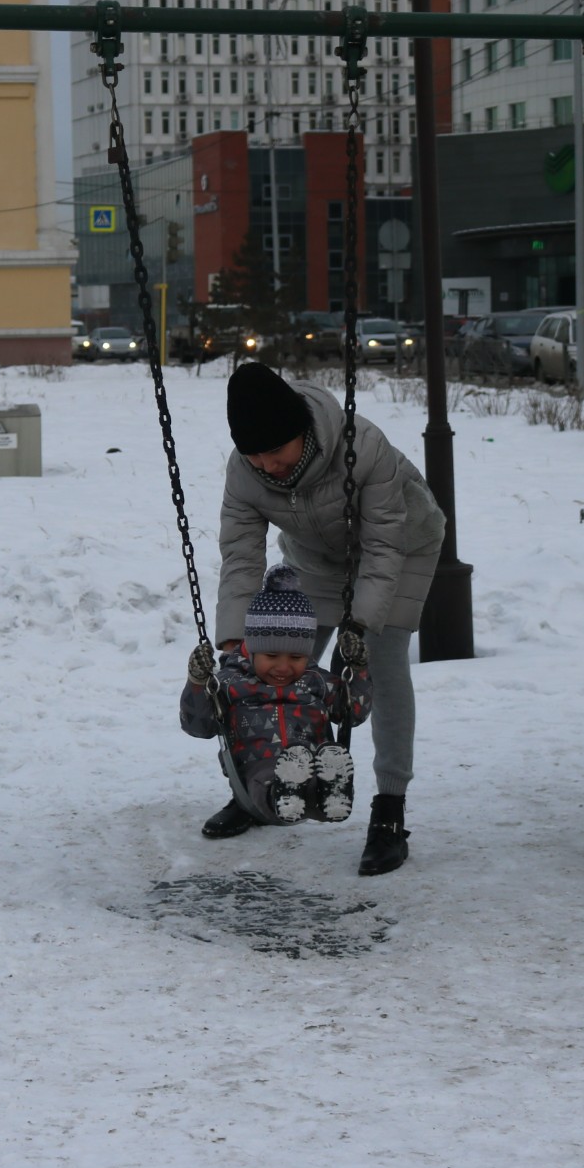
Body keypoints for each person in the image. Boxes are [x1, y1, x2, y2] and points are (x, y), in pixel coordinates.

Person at [207, 361, 447, 876]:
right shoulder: (245, 472)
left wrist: (359, 627)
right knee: (273, 664)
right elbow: (242, 557)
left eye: (276, 453)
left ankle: (389, 811)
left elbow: (384, 544)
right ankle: (261, 788)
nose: (266, 465)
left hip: (402, 547)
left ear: (301, 434)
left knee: (378, 666)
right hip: (315, 557)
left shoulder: (363, 447)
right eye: (255, 456)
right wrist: (235, 638)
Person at [181, 565, 371, 825]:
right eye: (271, 656)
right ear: (252, 650)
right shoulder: (231, 682)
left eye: (296, 657)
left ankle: (333, 788)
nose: (283, 667)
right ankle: (284, 791)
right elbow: (198, 726)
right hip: (259, 766)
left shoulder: (316, 680)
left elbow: (354, 713)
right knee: (268, 781)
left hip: (314, 759)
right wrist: (197, 682)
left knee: (316, 787)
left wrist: (358, 670)